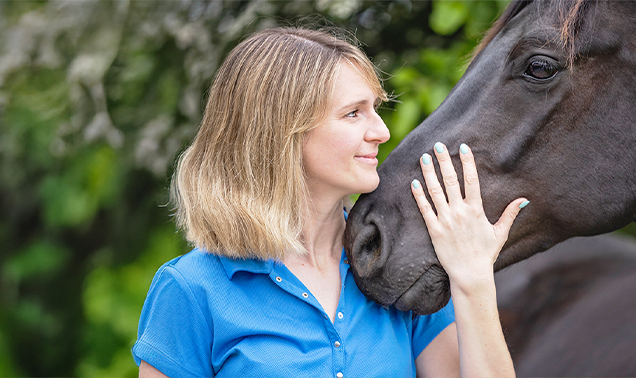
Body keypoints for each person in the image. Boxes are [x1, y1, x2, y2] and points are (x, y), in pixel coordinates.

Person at [132, 26, 526, 377]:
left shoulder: (395, 265)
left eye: (375, 109)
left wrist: (473, 280)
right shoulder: (191, 290)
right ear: (281, 132)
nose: (382, 132)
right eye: (353, 113)